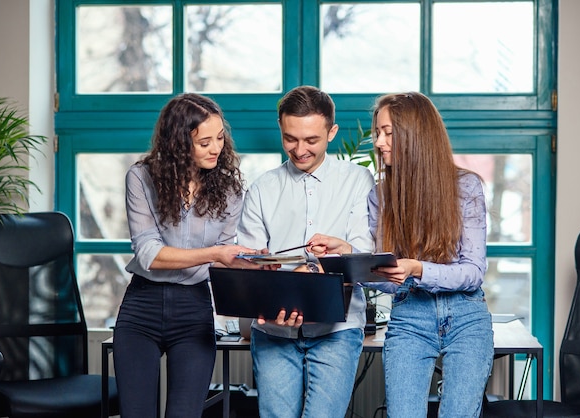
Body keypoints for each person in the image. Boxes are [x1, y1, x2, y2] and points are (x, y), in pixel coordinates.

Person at [309, 92, 494, 418]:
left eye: (388, 133)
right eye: (377, 132)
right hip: (410, 319)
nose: (378, 142)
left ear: (417, 135)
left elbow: (473, 272)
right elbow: (389, 281)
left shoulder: (466, 187)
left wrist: (418, 268)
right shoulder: (380, 197)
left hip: (467, 318)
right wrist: (351, 254)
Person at [113, 93, 257, 418]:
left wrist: (252, 261)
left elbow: (225, 254)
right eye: (204, 142)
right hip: (142, 308)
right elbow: (149, 253)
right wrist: (216, 252)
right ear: (178, 143)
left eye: (220, 138)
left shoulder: (231, 190)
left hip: (194, 309)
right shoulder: (141, 178)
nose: (216, 148)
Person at [236, 85, 375, 418]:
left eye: (311, 140)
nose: (299, 150)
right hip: (274, 330)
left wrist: (317, 268)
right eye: (290, 138)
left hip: (337, 330)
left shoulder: (358, 181)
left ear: (332, 132)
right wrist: (259, 273)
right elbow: (248, 261)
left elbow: (366, 255)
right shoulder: (261, 189)